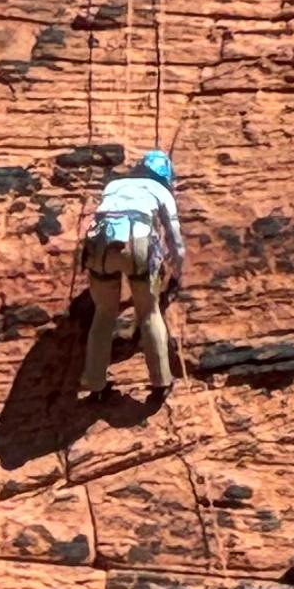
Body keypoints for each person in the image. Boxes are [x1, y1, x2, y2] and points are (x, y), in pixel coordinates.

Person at [81, 148, 183, 400]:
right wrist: (177, 271)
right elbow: (174, 237)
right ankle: (161, 381)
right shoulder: (160, 191)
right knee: (148, 312)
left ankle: (95, 385)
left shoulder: (114, 185)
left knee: (104, 313)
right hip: (138, 244)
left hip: (99, 244)